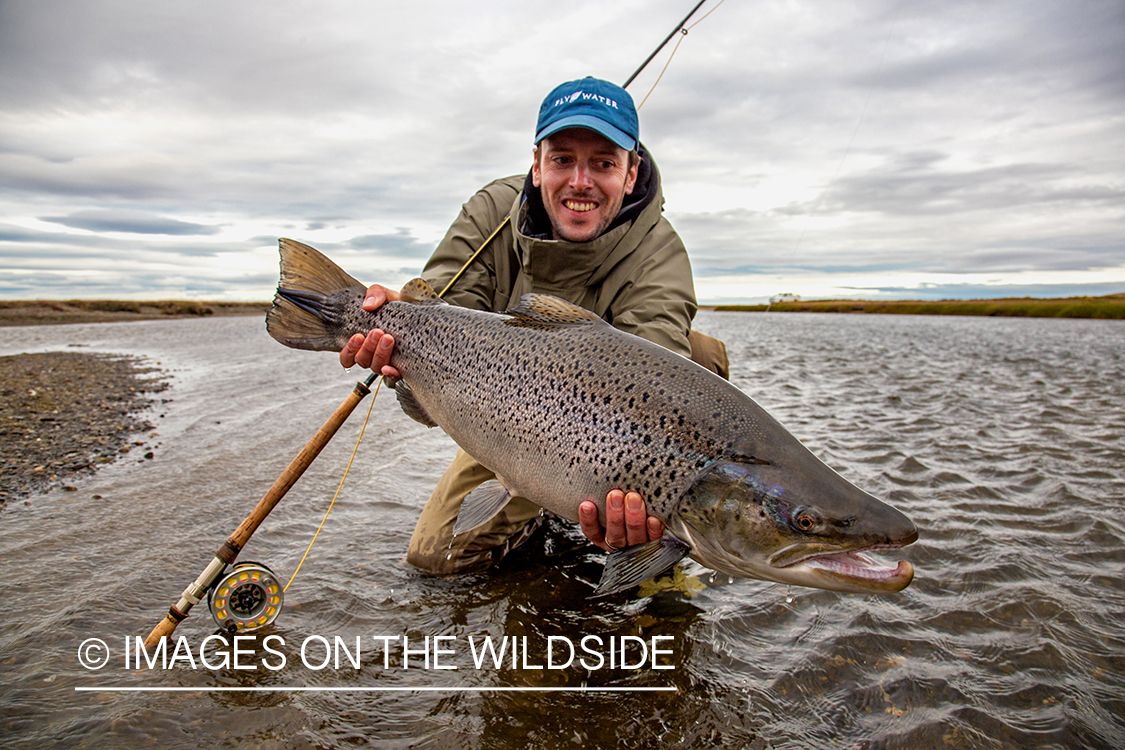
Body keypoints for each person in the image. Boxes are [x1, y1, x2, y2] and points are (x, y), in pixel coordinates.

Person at [340, 76, 728, 574]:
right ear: (537, 165)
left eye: (603, 163)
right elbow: (440, 313)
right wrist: (391, 329)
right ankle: (538, 503)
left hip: (619, 432)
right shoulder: (491, 211)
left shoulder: (660, 252)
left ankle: (668, 536)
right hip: (507, 409)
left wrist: (636, 490)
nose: (581, 181)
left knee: (698, 361)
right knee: (434, 557)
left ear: (631, 174)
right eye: (563, 159)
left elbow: (656, 379)